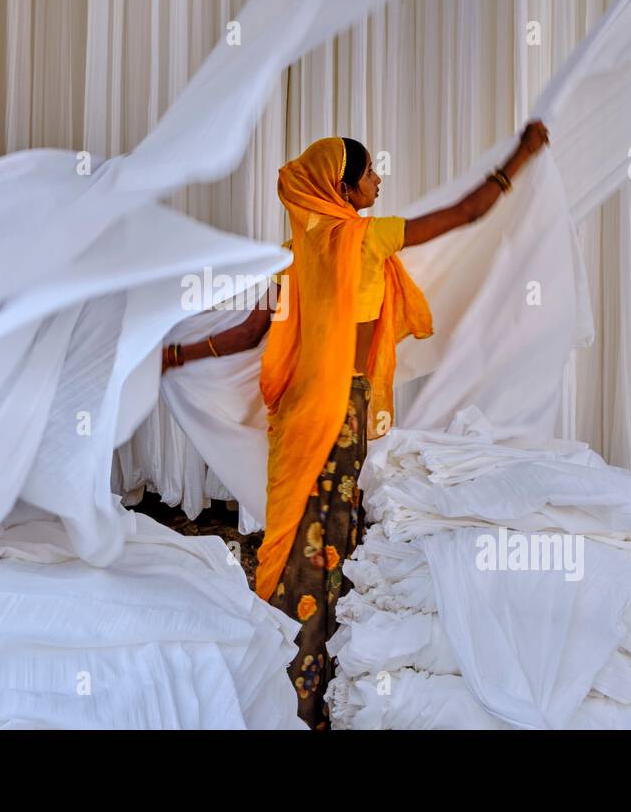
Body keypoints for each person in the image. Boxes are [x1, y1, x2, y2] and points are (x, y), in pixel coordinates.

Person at [161, 120, 550, 727]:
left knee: (293, 540)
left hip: (295, 418)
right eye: (368, 173)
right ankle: (317, 692)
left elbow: (247, 335)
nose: (379, 180)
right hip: (339, 414)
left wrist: (178, 356)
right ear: (341, 189)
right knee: (332, 542)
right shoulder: (366, 240)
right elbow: (467, 213)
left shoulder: (294, 258)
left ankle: (280, 678)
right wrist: (521, 154)